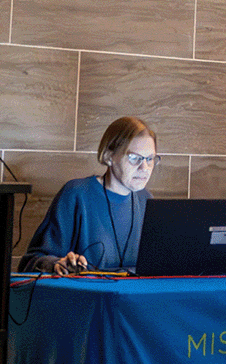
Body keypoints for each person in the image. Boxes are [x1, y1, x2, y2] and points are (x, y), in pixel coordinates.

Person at [18, 116, 159, 275]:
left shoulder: (146, 199)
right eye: (135, 158)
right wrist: (58, 264)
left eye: (150, 159)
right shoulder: (77, 194)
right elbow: (31, 262)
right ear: (108, 156)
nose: (144, 167)